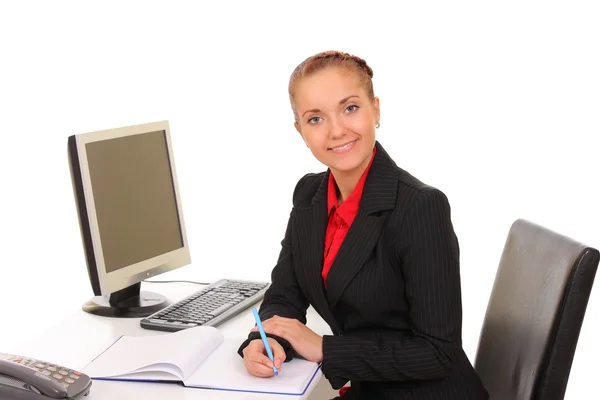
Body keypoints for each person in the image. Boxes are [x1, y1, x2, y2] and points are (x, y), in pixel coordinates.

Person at [237, 50, 489, 400]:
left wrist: (325, 348)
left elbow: (438, 352)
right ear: (300, 131)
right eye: (315, 119)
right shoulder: (310, 195)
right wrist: (265, 340)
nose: (337, 130)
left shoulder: (420, 206)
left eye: (350, 108)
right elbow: (284, 294)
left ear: (377, 110)